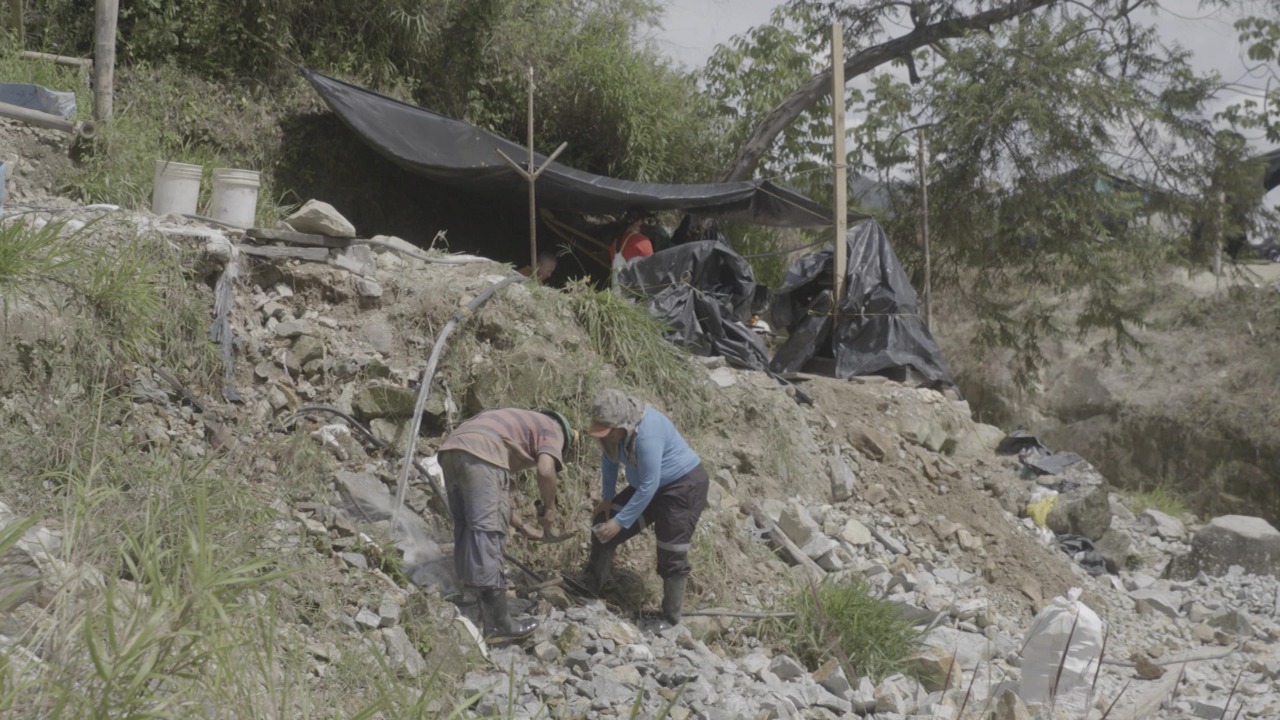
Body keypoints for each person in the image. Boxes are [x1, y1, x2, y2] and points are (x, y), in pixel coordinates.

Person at [437, 408, 577, 642]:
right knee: (487, 532)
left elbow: (493, 501)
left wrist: (523, 527)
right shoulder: (553, 429)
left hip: (451, 449)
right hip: (480, 449)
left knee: (466, 526)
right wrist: (549, 508)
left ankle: (468, 596)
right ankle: (498, 622)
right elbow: (545, 470)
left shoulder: (511, 427)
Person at [578, 389, 708, 629]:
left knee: (671, 550)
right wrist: (607, 499)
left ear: (620, 427)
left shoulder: (647, 434)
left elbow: (650, 485)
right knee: (603, 522)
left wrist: (619, 523)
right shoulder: (615, 435)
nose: (602, 438)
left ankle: (670, 618)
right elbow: (609, 460)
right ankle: (591, 584)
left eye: (606, 433)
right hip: (649, 486)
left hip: (682, 487)